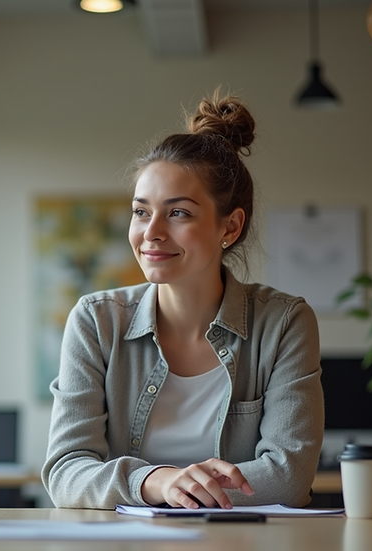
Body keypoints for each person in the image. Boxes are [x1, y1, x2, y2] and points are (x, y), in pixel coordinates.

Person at [42, 91, 324, 511]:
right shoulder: (96, 321)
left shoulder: (283, 323)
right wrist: (157, 482)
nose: (151, 232)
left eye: (178, 213)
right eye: (141, 212)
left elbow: (288, 478)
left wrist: (179, 492)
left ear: (230, 226)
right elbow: (65, 472)